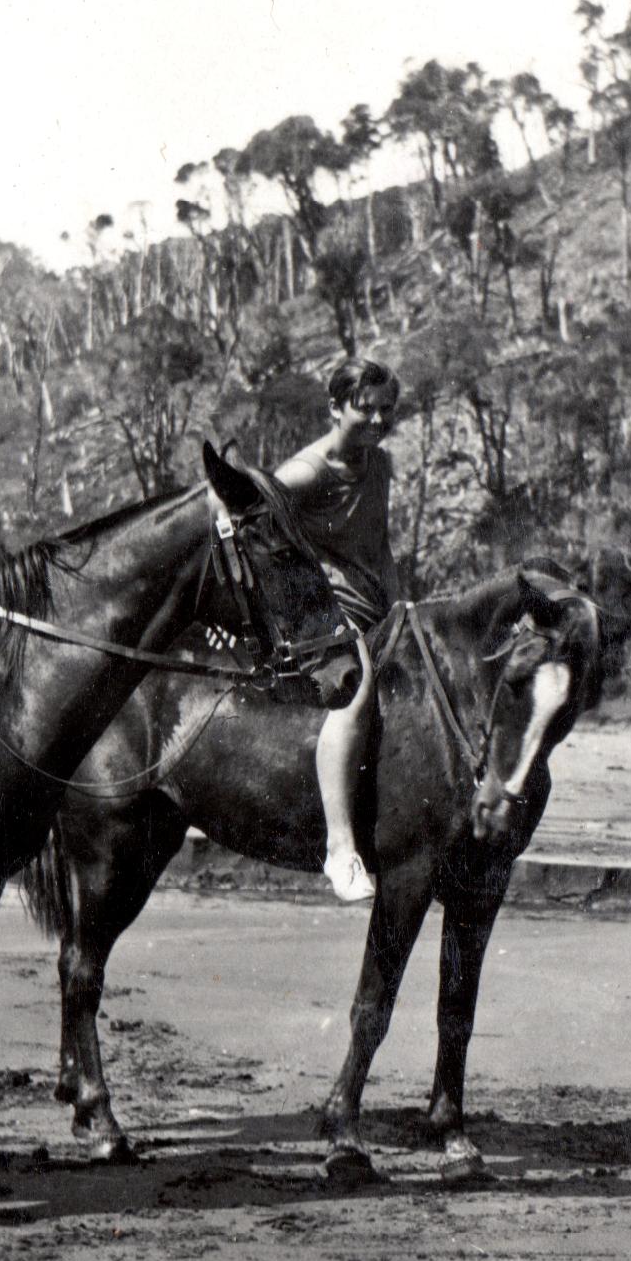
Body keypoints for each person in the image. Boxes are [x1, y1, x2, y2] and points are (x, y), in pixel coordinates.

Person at [274, 357, 401, 904]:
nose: (376, 421)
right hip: (325, 614)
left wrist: (399, 606)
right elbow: (236, 514)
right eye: (364, 409)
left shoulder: (382, 464)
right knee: (357, 690)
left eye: (386, 411)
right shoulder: (306, 472)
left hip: (377, 603)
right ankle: (340, 848)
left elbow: (379, 545)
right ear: (335, 407)